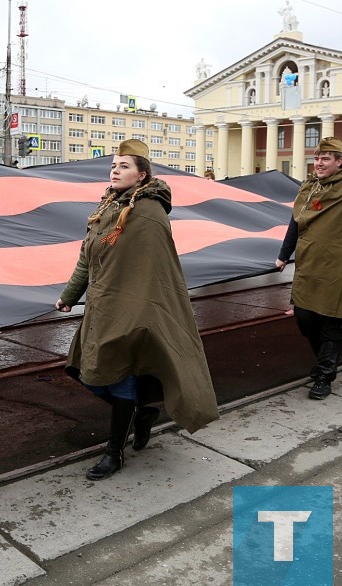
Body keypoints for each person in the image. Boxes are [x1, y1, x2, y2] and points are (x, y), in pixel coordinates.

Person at [56, 139, 219, 480]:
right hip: (103, 305)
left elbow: (154, 265)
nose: (115, 170)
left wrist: (141, 307)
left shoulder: (149, 211)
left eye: (124, 166)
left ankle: (113, 453)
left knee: (119, 377)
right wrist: (70, 294)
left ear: (142, 175)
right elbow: (88, 256)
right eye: (113, 165)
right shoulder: (106, 208)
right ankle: (142, 413)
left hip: (136, 308)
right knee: (84, 371)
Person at [275, 137, 342, 400]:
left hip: (338, 267)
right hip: (310, 263)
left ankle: (324, 376)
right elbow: (296, 221)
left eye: (325, 158)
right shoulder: (310, 186)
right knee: (305, 318)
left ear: (339, 161)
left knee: (331, 320)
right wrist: (284, 254)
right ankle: (325, 361)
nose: (319, 163)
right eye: (317, 158)